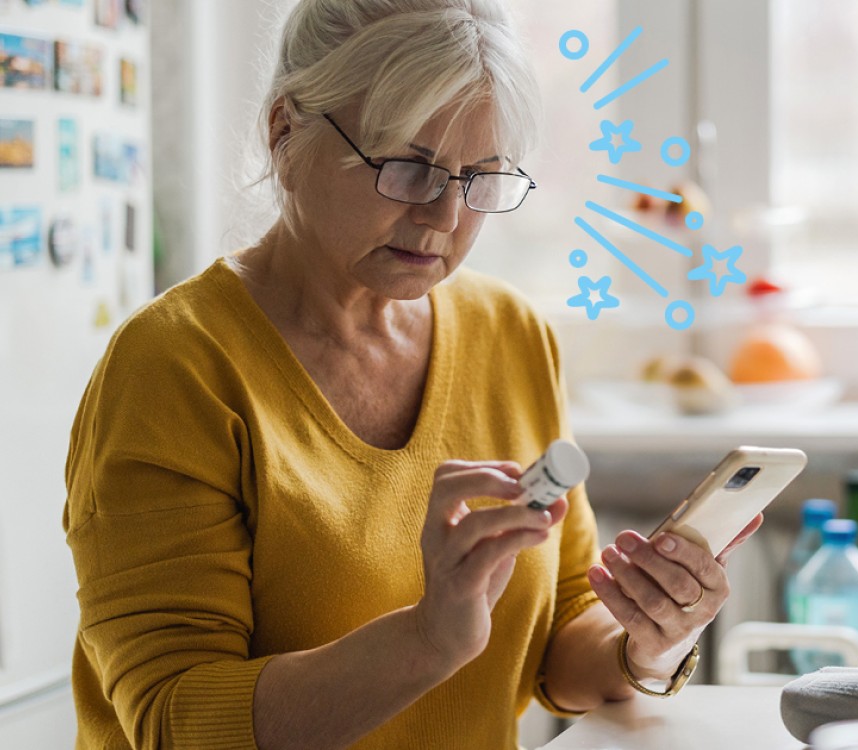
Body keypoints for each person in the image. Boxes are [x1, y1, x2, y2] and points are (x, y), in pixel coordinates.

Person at [62, 1, 761, 747]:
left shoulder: (511, 334)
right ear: (284, 132)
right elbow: (174, 722)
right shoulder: (174, 367)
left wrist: (647, 639)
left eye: (482, 177)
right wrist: (427, 640)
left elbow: (557, 648)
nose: (443, 217)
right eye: (406, 168)